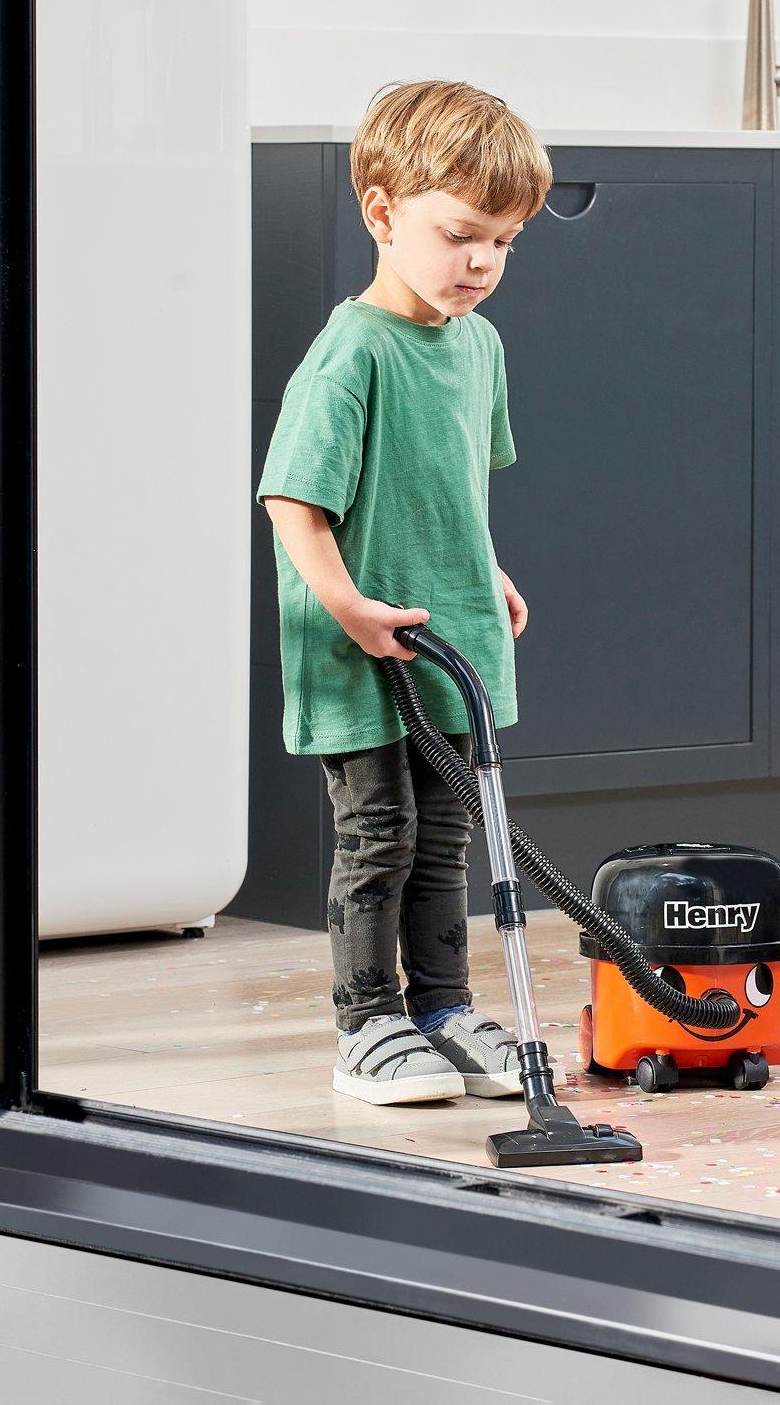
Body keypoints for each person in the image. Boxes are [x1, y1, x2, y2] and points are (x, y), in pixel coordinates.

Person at [256, 78, 551, 1105]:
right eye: (462, 233)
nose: (483, 262)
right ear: (382, 213)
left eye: (506, 242)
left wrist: (486, 569)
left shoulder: (478, 346)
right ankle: (367, 1025)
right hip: (364, 646)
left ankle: (440, 1007)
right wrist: (349, 610)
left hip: (450, 636)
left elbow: (448, 485)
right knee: (377, 834)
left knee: (446, 833)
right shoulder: (352, 354)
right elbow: (293, 503)